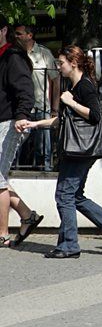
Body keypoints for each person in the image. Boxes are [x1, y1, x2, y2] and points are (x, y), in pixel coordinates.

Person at [24, 45, 102, 258]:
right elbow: (63, 121)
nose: (58, 67)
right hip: (79, 149)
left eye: (61, 63)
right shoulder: (74, 86)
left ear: (73, 63)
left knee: (64, 195)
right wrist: (35, 125)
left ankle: (69, 245)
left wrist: (70, 101)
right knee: (74, 196)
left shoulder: (84, 87)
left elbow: (96, 115)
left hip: (80, 150)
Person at [0, 19, 43, 248]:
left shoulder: (12, 57)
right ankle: (27, 215)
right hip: (4, 121)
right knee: (0, 179)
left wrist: (22, 116)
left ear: (4, 31)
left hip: (9, 123)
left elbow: (26, 90)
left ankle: (3, 234)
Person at [12, 23, 58, 171]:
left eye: (19, 34)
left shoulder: (44, 53)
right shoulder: (13, 54)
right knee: (15, 151)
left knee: (43, 150)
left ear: (29, 35)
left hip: (40, 107)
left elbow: (56, 80)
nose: (16, 36)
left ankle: (45, 174)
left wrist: (55, 108)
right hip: (19, 109)